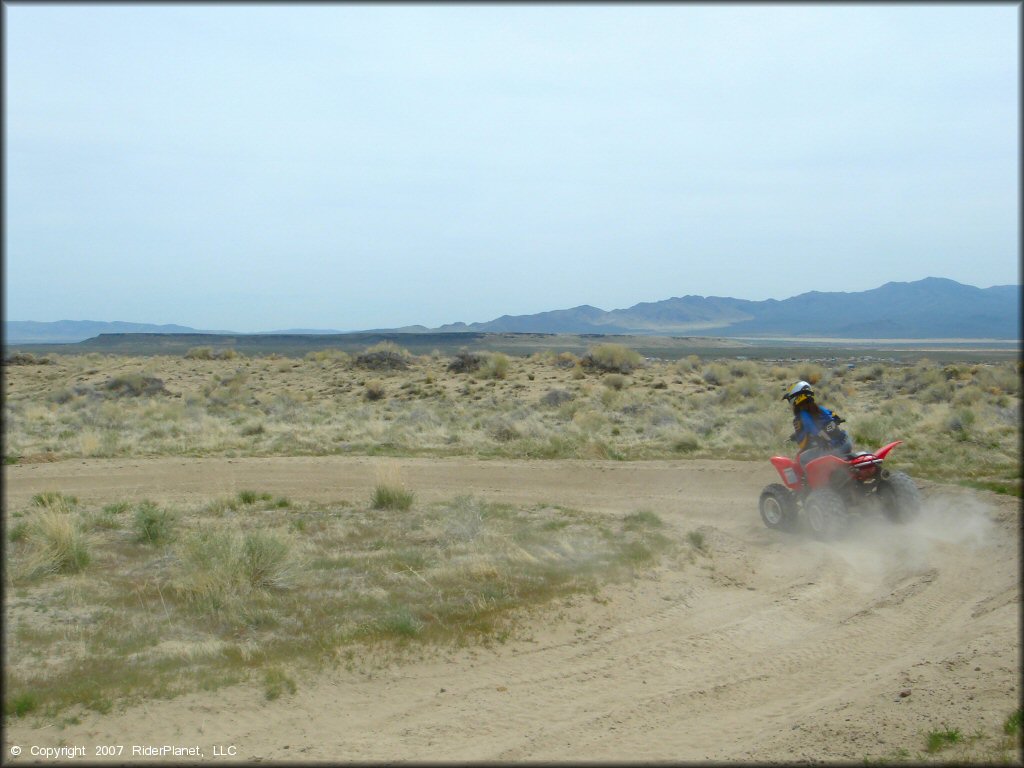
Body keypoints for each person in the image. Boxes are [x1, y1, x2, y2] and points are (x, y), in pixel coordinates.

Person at [782, 380, 853, 470]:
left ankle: (809, 484)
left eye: (790, 398)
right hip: (846, 442)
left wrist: (825, 440)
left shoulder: (803, 415)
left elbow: (815, 431)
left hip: (834, 448)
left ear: (797, 397)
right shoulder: (819, 409)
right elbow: (833, 420)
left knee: (802, 459)